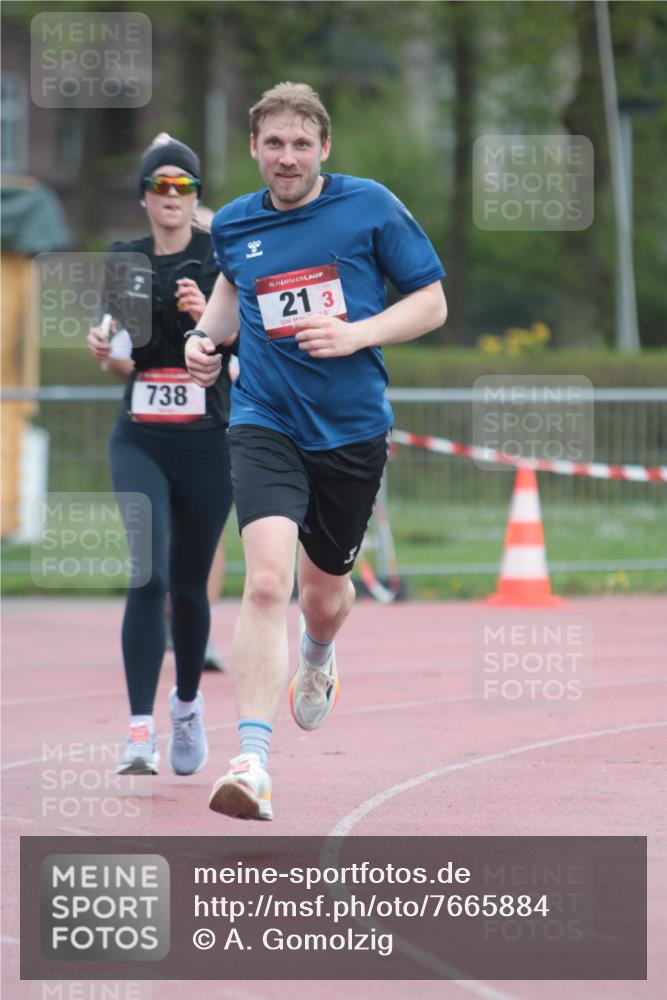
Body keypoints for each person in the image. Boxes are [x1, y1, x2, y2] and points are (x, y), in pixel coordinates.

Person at [185, 83, 446, 820]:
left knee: (322, 598)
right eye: (274, 144)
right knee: (267, 583)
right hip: (264, 421)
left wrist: (357, 333)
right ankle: (252, 762)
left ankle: (319, 657)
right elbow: (229, 301)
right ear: (254, 149)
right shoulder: (234, 224)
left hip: (351, 431)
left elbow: (431, 301)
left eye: (301, 144)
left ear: (323, 148)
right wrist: (204, 343)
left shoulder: (369, 207)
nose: (287, 157)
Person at [87, 134, 235, 776]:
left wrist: (212, 319)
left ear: (196, 196)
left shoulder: (221, 256)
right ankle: (138, 730)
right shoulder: (124, 260)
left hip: (208, 439)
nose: (171, 196)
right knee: (147, 575)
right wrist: (106, 352)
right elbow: (116, 352)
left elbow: (248, 346)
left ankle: (187, 704)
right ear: (144, 196)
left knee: (189, 584)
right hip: (140, 432)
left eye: (183, 186)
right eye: (160, 185)